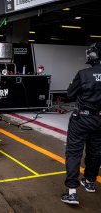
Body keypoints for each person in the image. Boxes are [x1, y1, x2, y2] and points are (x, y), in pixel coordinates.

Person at [61, 42, 101, 205]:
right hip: (99, 120)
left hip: (82, 119)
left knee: (74, 152)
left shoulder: (84, 73)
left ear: (91, 55)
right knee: (96, 151)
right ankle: (90, 181)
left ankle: (72, 192)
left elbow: (69, 94)